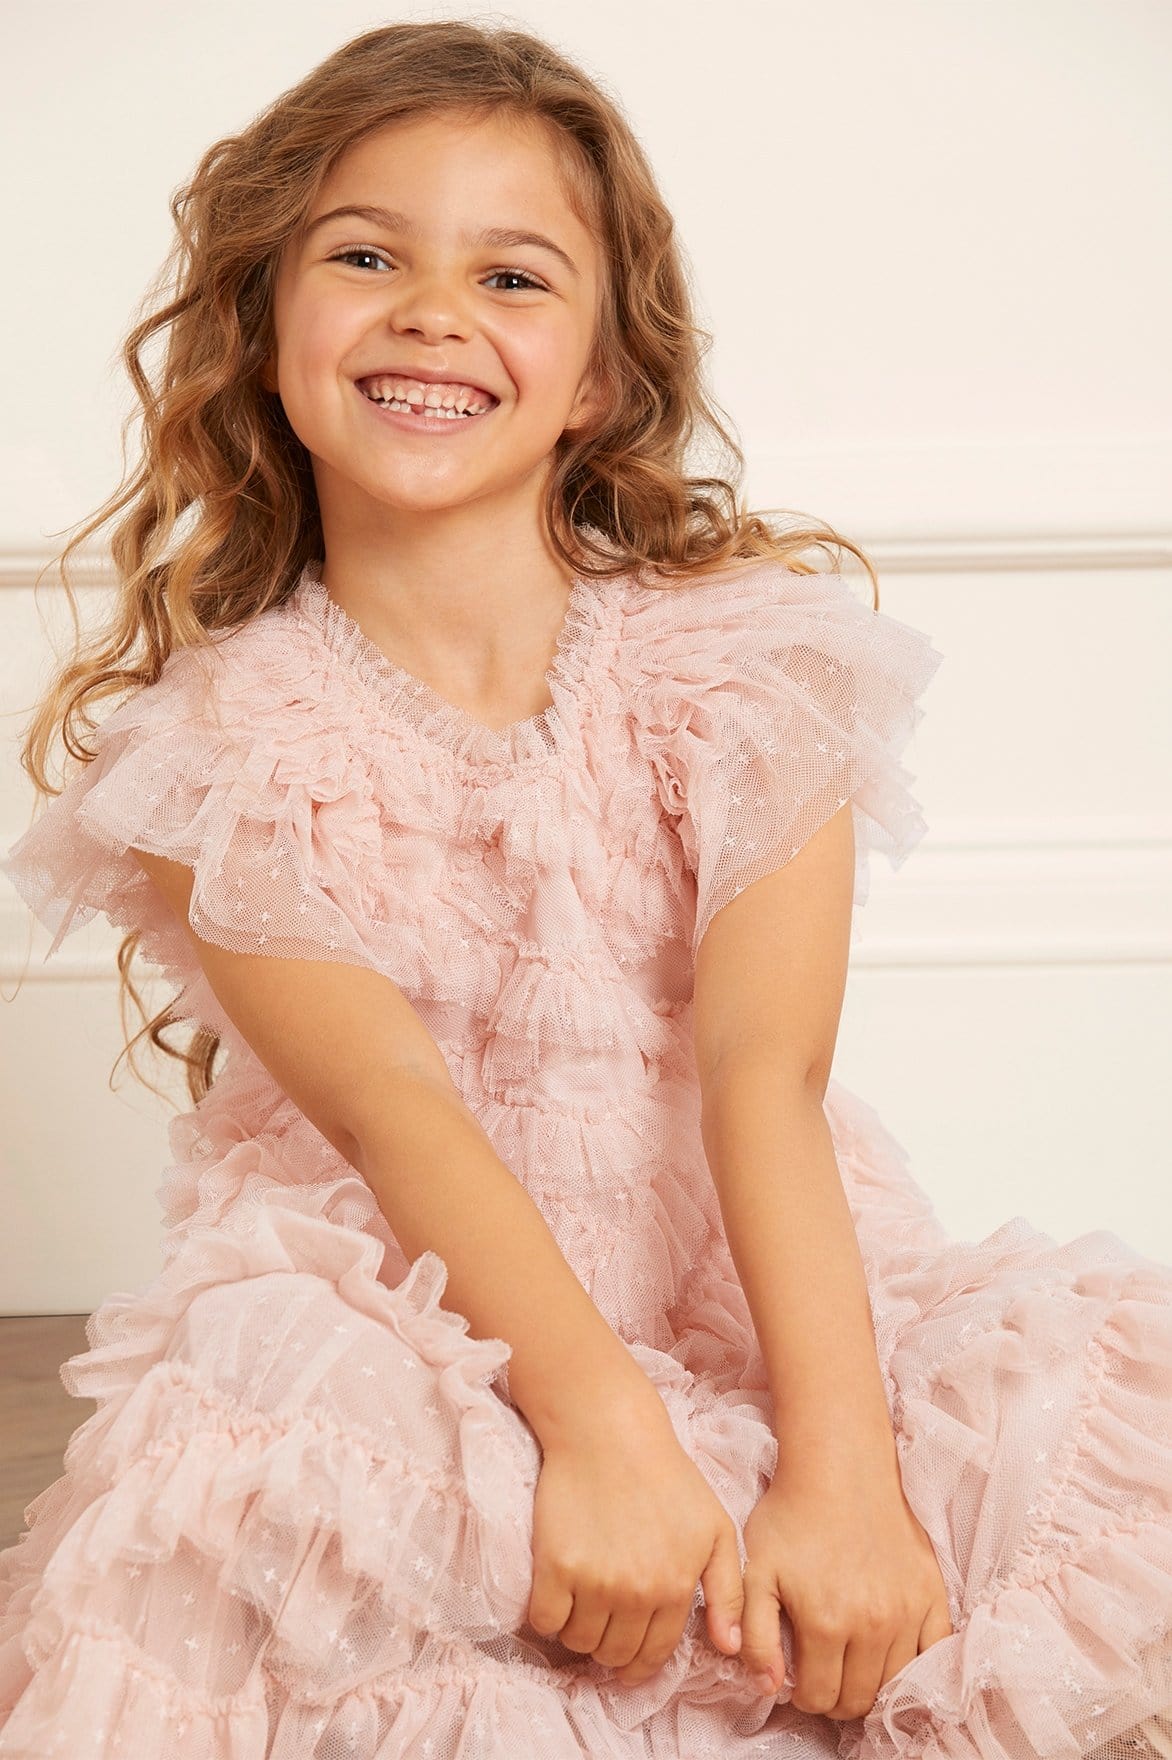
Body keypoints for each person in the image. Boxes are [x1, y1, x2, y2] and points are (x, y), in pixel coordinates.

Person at [0, 19, 1169, 1759]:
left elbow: (761, 1071)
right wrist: (605, 1433)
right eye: (367, 256)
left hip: (746, 1289)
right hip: (439, 1324)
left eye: (512, 275)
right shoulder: (219, 756)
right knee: (255, 1421)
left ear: (605, 377)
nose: (432, 312)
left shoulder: (746, 674)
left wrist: (844, 1480)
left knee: (1062, 1417)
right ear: (262, 322)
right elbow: (393, 1109)